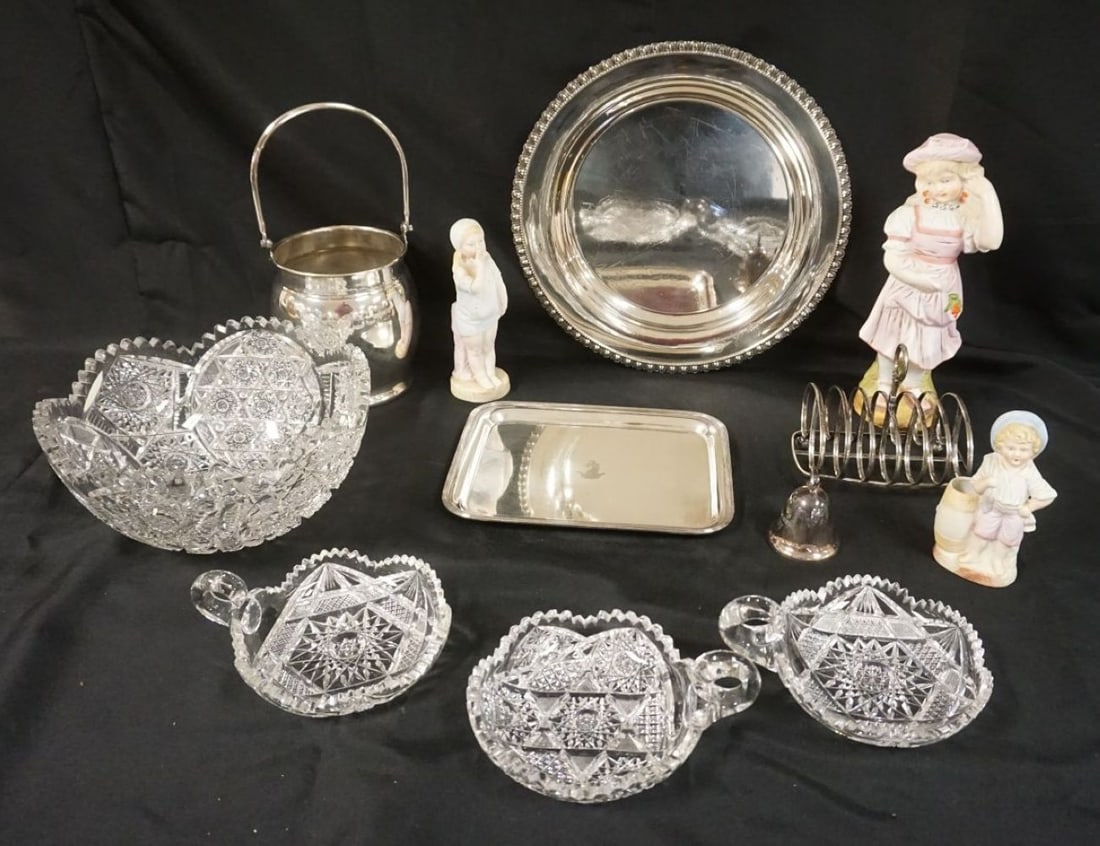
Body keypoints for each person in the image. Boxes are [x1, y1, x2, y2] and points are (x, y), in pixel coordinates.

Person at [858, 133, 1003, 413]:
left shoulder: (963, 217)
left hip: (944, 286)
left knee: (930, 337)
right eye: (928, 181)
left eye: (945, 180)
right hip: (907, 283)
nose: (936, 188)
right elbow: (893, 258)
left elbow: (991, 241)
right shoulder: (908, 215)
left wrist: (986, 194)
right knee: (892, 332)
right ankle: (884, 383)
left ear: (965, 179)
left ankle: (913, 384)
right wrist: (918, 280)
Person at [955, 411, 1057, 587]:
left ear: (1033, 451)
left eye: (1023, 450)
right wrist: (986, 482)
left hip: (1014, 513)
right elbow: (975, 486)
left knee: (1007, 540)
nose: (1016, 454)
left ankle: (998, 561)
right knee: (981, 532)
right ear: (1000, 446)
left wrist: (1029, 507)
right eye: (1011, 448)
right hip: (992, 507)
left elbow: (1047, 495)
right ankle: (972, 555)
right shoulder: (991, 461)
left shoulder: (1029, 471)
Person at [450, 218, 509, 401]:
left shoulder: (487, 259)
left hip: (490, 313)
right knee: (475, 351)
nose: (478, 247)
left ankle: (490, 373)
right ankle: (481, 377)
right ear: (459, 247)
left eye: (481, 241)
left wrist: (502, 301)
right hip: (471, 319)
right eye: (471, 244)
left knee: (488, 347)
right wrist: (481, 266)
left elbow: (498, 279)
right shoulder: (459, 269)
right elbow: (476, 287)